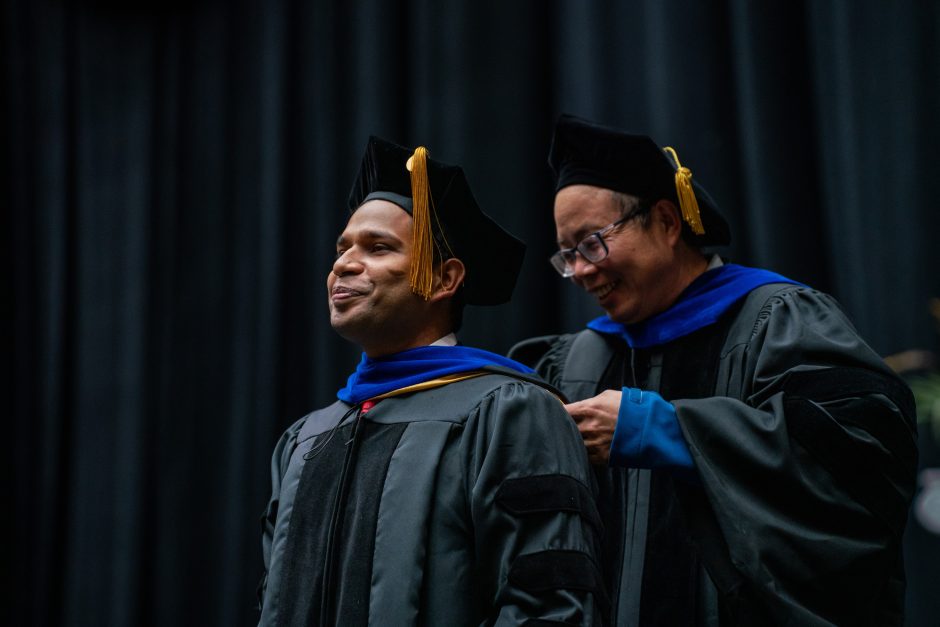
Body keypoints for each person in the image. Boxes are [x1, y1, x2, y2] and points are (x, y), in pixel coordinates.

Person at [509, 114, 918, 626]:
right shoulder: (576, 361)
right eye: (569, 255)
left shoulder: (778, 321)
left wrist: (664, 431)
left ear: (666, 221)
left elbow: (859, 468)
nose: (582, 271)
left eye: (593, 243)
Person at [257, 136, 605, 626]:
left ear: (445, 279)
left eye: (378, 248)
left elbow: (548, 606)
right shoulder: (304, 440)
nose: (343, 264)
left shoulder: (510, 411)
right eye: (342, 249)